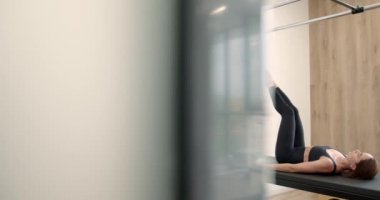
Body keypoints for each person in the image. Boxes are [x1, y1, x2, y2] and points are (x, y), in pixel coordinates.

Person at [269, 84, 378, 179]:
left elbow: (292, 168)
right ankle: (273, 85)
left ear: (354, 166)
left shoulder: (329, 164)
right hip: (297, 149)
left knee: (288, 113)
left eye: (359, 155)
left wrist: (265, 168)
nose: (357, 150)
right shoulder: (342, 157)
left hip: (286, 154)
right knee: (295, 111)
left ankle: (268, 84)